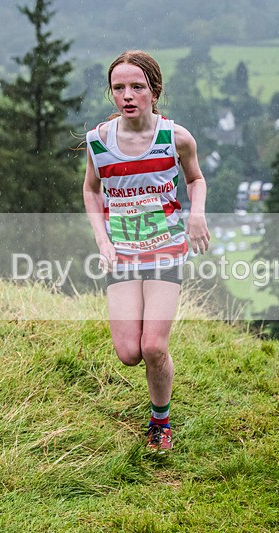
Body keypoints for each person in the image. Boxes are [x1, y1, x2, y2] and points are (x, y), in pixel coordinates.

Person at [83, 50, 211, 452]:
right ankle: (158, 407)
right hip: (121, 253)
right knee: (128, 353)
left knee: (154, 346)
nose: (128, 95)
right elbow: (90, 189)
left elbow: (196, 179)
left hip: (165, 249)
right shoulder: (99, 142)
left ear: (153, 91)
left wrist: (197, 215)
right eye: (119, 87)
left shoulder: (176, 137)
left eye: (137, 86)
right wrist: (103, 240)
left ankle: (161, 423)